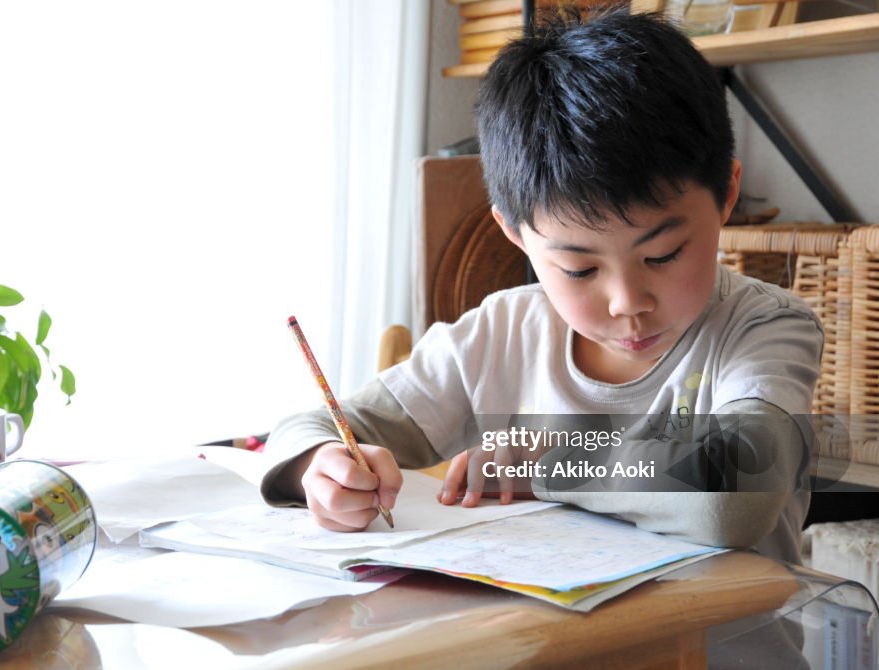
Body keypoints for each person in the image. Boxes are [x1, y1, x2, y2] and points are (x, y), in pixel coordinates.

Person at [256, 10, 822, 566]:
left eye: (663, 254)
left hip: (723, 633)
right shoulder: (499, 334)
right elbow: (308, 428)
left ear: (727, 196)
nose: (627, 302)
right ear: (515, 233)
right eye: (579, 269)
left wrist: (547, 460)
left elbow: (736, 494)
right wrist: (320, 465)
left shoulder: (763, 328)